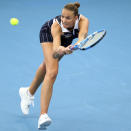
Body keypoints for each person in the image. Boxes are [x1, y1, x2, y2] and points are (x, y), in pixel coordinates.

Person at [19, 2, 89, 130]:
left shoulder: (84, 21)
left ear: (76, 18)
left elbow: (82, 37)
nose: (64, 19)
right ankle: (43, 115)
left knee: (47, 65)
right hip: (48, 34)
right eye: (62, 16)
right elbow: (55, 50)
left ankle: (28, 92)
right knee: (52, 72)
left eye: (68, 18)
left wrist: (74, 46)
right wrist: (63, 49)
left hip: (66, 38)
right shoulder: (57, 26)